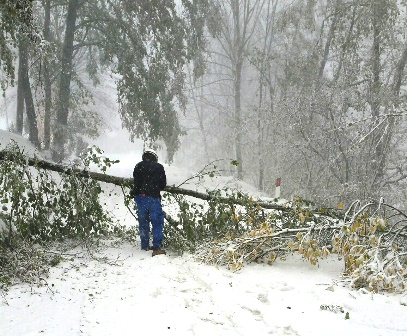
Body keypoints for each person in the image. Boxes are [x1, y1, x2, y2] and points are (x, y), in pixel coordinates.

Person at [133, 148, 167, 256]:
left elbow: (135, 181)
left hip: (140, 197)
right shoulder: (159, 167)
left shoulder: (138, 166)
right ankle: (156, 247)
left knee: (143, 222)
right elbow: (163, 184)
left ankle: (145, 245)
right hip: (153, 197)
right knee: (157, 222)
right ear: (155, 158)